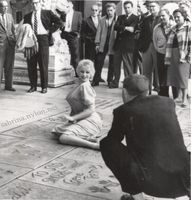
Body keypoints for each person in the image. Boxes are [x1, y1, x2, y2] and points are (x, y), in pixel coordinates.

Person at [100, 74, 190, 200]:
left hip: (153, 182)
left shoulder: (123, 111)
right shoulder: (168, 103)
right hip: (184, 178)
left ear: (124, 92)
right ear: (148, 91)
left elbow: (113, 140)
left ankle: (137, 197)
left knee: (106, 144)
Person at [52, 59, 102, 150]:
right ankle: (90, 138)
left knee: (63, 138)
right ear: (78, 72)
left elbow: (90, 110)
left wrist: (73, 118)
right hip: (82, 118)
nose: (84, 75)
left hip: (91, 120)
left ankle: (93, 145)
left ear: (91, 74)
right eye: (82, 72)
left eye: (87, 72)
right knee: (56, 130)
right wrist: (72, 119)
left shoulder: (85, 86)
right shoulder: (80, 84)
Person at [23, 0, 62, 94]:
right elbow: (25, 28)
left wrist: (50, 31)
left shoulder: (47, 13)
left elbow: (59, 22)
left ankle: (44, 87)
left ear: (40, 4)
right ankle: (33, 86)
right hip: (31, 40)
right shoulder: (27, 16)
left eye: (37, 3)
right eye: (33, 3)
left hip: (43, 39)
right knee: (31, 64)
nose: (35, 5)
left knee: (43, 64)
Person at [109, 1, 138, 88]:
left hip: (128, 45)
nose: (127, 9)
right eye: (125, 8)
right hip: (118, 45)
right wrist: (126, 27)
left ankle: (128, 83)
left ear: (132, 8)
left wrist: (122, 27)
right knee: (116, 65)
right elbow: (115, 27)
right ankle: (115, 82)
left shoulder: (135, 18)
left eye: (128, 7)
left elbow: (132, 30)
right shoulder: (120, 17)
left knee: (127, 66)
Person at [165, 9, 191, 107]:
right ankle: (179, 97)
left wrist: (189, 56)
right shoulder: (173, 28)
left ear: (184, 17)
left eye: (178, 16)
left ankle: (185, 99)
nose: (176, 19)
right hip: (172, 54)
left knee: (183, 77)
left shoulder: (189, 27)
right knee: (175, 76)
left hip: (183, 55)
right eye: (175, 17)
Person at [92, 3, 117, 87]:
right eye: (108, 10)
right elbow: (98, 32)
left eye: (111, 10)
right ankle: (96, 80)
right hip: (103, 43)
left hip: (113, 43)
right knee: (99, 62)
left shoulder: (117, 19)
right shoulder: (102, 19)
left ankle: (110, 80)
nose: (109, 12)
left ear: (114, 10)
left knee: (112, 63)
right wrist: (97, 44)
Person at [139, 0, 161, 94]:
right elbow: (142, 34)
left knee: (159, 70)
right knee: (146, 70)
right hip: (147, 47)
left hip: (159, 48)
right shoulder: (146, 19)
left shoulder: (162, 18)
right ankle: (147, 91)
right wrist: (141, 46)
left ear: (158, 7)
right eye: (150, 6)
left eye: (153, 6)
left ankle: (160, 90)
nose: (151, 8)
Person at [57, 0, 82, 76]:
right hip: (64, 35)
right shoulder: (63, 14)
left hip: (73, 35)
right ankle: (65, 71)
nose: (66, 8)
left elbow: (80, 24)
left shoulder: (78, 14)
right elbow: (60, 24)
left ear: (72, 6)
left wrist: (78, 33)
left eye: (68, 6)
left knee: (75, 54)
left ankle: (77, 72)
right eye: (65, 6)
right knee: (64, 52)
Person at [153, 9, 174, 97]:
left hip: (172, 55)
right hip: (161, 54)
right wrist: (159, 49)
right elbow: (154, 40)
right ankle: (163, 95)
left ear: (169, 15)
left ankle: (176, 96)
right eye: (160, 16)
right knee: (161, 75)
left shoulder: (174, 26)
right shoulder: (157, 27)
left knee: (172, 75)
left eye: (163, 15)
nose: (161, 18)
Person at [0, 0, 16, 92]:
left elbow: (13, 30)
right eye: (3, 6)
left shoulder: (10, 16)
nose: (5, 8)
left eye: (6, 7)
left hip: (10, 45)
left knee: (9, 66)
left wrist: (14, 40)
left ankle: (8, 86)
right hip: (0, 46)